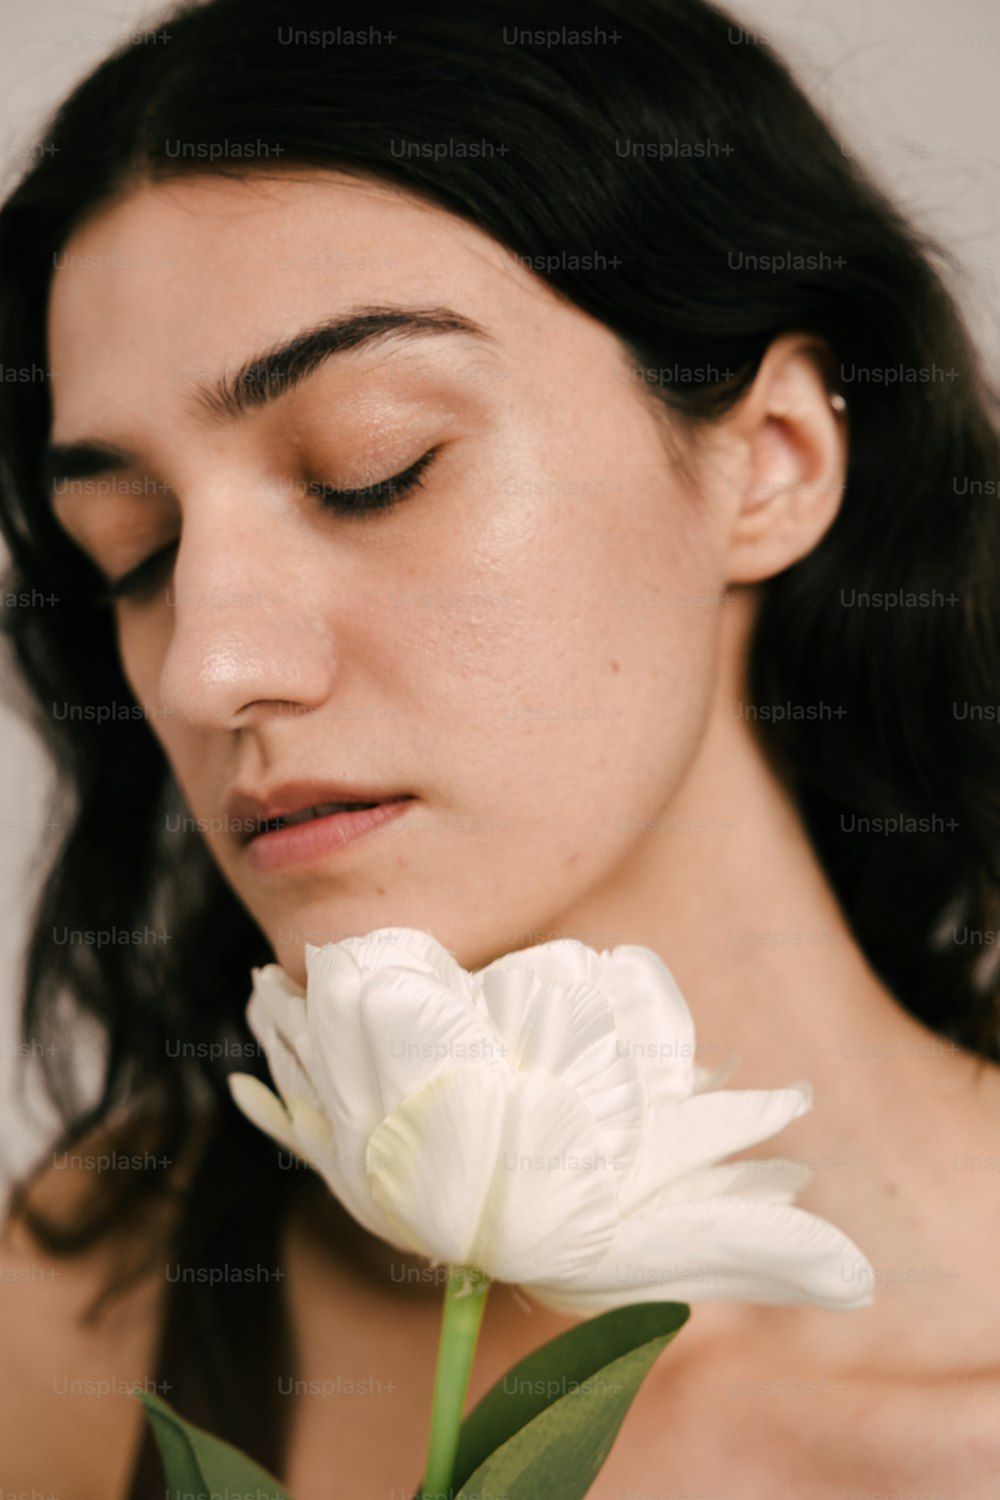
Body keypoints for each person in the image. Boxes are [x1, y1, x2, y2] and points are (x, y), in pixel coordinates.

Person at [1, 0, 999, 1494]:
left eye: (373, 470)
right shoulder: (90, 1308)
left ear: (774, 462)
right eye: (136, 551)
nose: (210, 668)